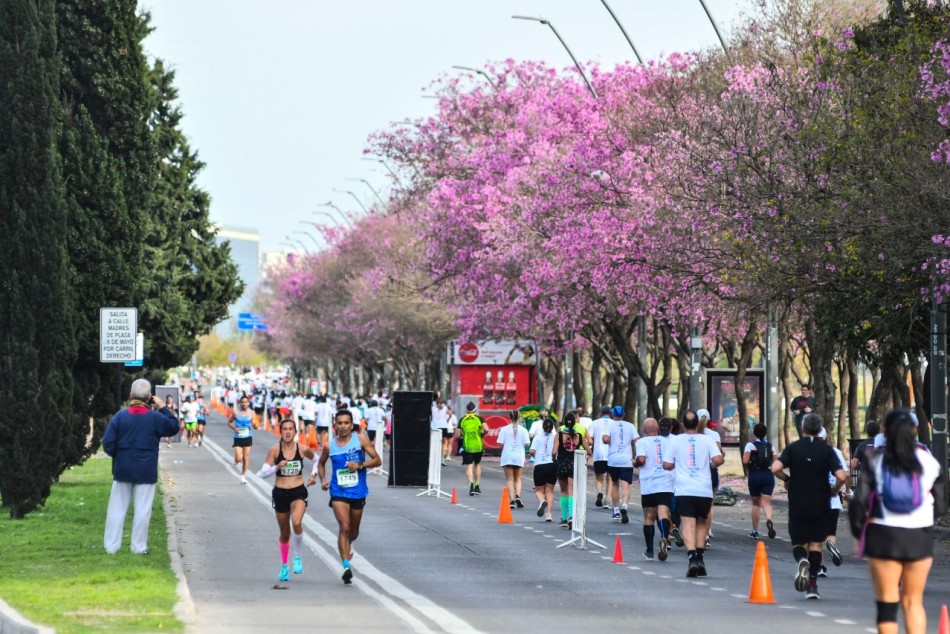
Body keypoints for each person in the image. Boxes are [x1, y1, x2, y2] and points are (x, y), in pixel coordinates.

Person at [857, 409, 945, 634]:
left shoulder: (874, 459)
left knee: (887, 604)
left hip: (883, 535)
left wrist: (861, 533)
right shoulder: (928, 461)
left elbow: (860, 502)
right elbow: (942, 505)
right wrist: (926, 520)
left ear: (884, 431)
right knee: (914, 602)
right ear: (915, 431)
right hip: (919, 538)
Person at [772, 413, 847, 600]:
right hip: (821, 502)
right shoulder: (827, 451)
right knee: (816, 544)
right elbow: (842, 475)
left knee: (799, 542)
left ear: (802, 429)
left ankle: (801, 560)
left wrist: (787, 479)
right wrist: (835, 489)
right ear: (820, 429)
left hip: (798, 500)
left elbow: (775, 468)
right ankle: (812, 585)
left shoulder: (793, 448)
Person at [102, 379, 180, 555]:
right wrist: (162, 407)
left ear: (130, 395)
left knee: (116, 509)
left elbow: (107, 443)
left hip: (123, 469)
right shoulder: (155, 418)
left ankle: (111, 547)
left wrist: (119, 455)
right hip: (146, 469)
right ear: (149, 397)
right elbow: (173, 427)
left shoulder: (120, 416)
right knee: (142, 511)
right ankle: (138, 547)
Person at [309, 409, 381, 584]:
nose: (342, 426)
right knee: (344, 525)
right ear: (335, 425)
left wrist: (360, 465)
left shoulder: (361, 440)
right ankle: (346, 566)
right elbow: (321, 464)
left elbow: (377, 460)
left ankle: (348, 543)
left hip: (358, 491)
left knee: (353, 531)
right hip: (338, 491)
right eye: (339, 423)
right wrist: (323, 479)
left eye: (346, 423)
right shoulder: (329, 446)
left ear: (351, 425)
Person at [662, 409, 724, 577]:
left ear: (682, 424)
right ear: (697, 424)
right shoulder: (707, 439)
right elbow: (719, 459)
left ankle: (692, 559)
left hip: (684, 489)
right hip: (704, 489)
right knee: (702, 523)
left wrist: (678, 464)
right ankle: (700, 558)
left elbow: (666, 464)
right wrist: (709, 465)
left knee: (688, 524)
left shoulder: (676, 441)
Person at [257, 419, 316, 581]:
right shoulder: (274, 451)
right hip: (280, 493)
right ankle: (284, 565)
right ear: (280, 432)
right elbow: (261, 474)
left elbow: (317, 460)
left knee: (296, 522)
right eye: (285, 429)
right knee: (285, 532)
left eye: (291, 429)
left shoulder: (303, 449)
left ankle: (297, 557)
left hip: (298, 492)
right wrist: (276, 467)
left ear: (295, 432)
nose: (288, 432)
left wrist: (313, 475)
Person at [636, 418, 674, 561]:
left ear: (645, 431)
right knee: (663, 512)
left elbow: (641, 459)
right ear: (657, 429)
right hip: (666, 482)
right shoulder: (668, 442)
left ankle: (650, 551)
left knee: (649, 516)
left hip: (649, 483)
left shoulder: (642, 442)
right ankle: (664, 537)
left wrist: (635, 463)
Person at [603, 405, 639, 524]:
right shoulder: (630, 426)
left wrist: (606, 438)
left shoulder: (610, 425)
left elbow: (606, 439)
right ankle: (624, 506)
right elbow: (636, 441)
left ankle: (616, 511)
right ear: (623, 415)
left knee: (614, 484)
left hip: (613, 460)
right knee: (626, 485)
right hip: (626, 460)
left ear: (612, 415)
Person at [743, 422, 777, 539]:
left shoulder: (750, 445)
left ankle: (755, 531)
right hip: (768, 475)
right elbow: (775, 462)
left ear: (754, 433)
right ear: (766, 433)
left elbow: (745, 460)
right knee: (767, 503)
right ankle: (769, 519)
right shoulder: (771, 446)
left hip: (755, 475)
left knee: (756, 504)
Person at [554, 411, 586, 527]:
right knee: (571, 490)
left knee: (563, 491)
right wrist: (584, 456)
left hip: (562, 464)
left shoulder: (559, 435)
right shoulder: (578, 435)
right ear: (574, 422)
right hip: (574, 465)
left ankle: (563, 518)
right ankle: (572, 516)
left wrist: (554, 458)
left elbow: (553, 451)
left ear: (564, 422)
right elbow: (589, 450)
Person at [697, 408, 722, 547]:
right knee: (709, 504)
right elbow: (719, 454)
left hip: (694, 474)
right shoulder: (714, 435)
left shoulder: (692, 435)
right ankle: (707, 532)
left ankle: (695, 533)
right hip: (710, 472)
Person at [497, 409, 531, 509]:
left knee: (509, 479)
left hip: (507, 456)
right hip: (519, 456)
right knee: (518, 479)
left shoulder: (504, 429)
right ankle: (518, 496)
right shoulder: (523, 430)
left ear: (510, 418)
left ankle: (511, 500)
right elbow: (527, 443)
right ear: (519, 417)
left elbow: (500, 443)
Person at [456, 402, 489, 496]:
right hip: (478, 446)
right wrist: (482, 434)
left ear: (466, 410)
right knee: (477, 464)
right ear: (475, 410)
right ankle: (477, 486)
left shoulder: (462, 420)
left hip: (467, 446)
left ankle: (471, 487)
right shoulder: (479, 419)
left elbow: (458, 435)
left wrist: (463, 435)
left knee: (469, 466)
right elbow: (486, 429)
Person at [530, 417, 557, 522]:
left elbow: (532, 451)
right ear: (553, 427)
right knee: (549, 491)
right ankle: (549, 514)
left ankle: (542, 501)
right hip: (552, 465)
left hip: (539, 465)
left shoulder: (537, 437)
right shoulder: (556, 437)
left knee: (539, 490)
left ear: (542, 427)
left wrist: (538, 456)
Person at [586, 406, 612, 509]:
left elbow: (590, 439)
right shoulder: (614, 424)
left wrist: (589, 450)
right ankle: (607, 500)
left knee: (599, 477)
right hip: (611, 454)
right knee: (610, 478)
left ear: (601, 413)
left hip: (598, 453)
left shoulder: (594, 423)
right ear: (610, 413)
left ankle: (600, 492)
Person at [228, 394, 256, 484]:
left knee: (246, 458)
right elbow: (229, 423)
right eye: (242, 402)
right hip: (238, 437)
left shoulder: (252, 413)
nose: (244, 404)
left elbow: (255, 425)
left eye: (245, 402)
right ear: (240, 403)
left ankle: (243, 476)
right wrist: (234, 428)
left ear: (248, 403)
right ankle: (236, 459)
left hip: (248, 436)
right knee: (239, 458)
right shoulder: (236, 412)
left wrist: (255, 425)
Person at [430, 400, 451, 465]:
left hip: (435, 427)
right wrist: (447, 420)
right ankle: (442, 459)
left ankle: (434, 459)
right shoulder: (445, 408)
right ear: (442, 403)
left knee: (435, 443)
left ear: (436, 403)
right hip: (444, 426)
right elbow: (450, 414)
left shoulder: (433, 408)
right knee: (443, 443)